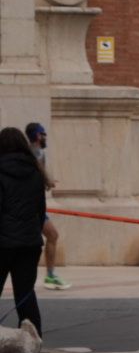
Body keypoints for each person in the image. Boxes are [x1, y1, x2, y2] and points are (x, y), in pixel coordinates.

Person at [0, 127, 47, 335]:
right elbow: (40, 209)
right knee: (25, 294)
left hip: (2, 243)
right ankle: (33, 343)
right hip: (30, 243)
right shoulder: (36, 171)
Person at [25, 124, 67, 291]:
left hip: (35, 206)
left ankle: (50, 274)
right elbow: (39, 169)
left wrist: (47, 182)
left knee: (51, 235)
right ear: (37, 135)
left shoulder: (39, 152)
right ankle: (49, 275)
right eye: (43, 134)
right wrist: (48, 180)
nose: (45, 137)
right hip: (31, 207)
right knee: (51, 235)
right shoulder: (33, 152)